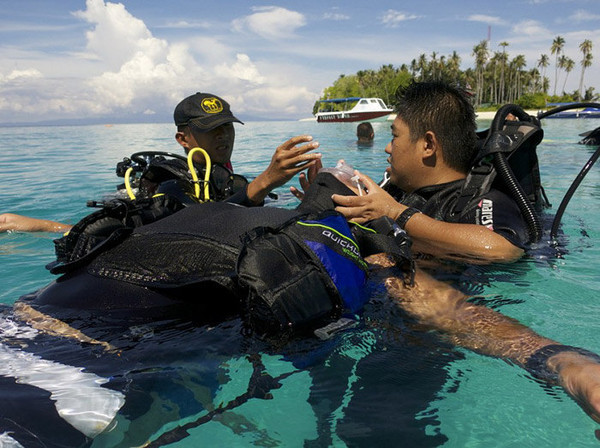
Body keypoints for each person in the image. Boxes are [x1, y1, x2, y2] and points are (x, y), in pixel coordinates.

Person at [0, 92, 321, 233]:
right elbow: (188, 229)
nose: (223, 136)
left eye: (227, 127)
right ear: (184, 139)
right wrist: (264, 182)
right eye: (211, 130)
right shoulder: (173, 184)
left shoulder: (228, 181)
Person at [293, 82, 527, 264]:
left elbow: (504, 250)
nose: (387, 147)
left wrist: (395, 213)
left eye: (394, 136)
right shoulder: (395, 191)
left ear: (428, 145)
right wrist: (324, 207)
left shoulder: (481, 200)